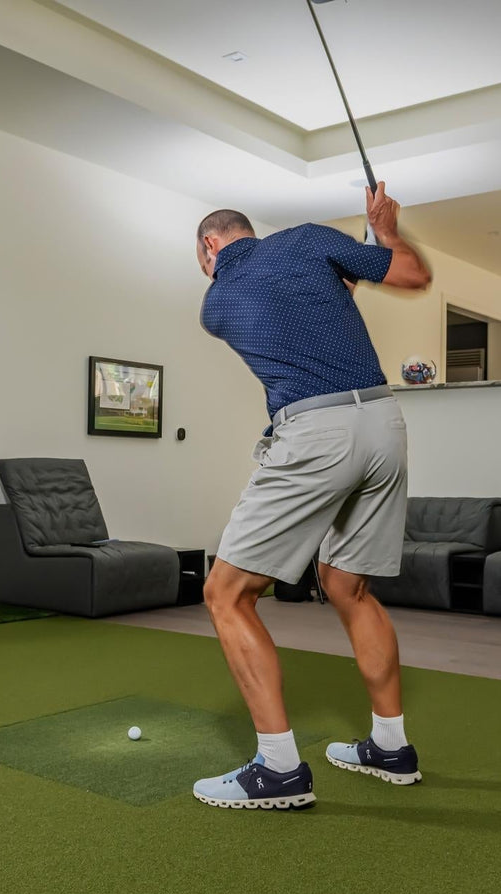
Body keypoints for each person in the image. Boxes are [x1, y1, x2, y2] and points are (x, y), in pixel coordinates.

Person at [192, 182, 432, 809]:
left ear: (211, 246)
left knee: (225, 594)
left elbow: (294, 309)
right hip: (384, 421)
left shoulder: (216, 304)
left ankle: (278, 771)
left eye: (202, 257)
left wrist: (344, 267)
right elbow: (409, 274)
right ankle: (390, 746)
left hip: (315, 430)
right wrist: (382, 231)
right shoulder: (309, 239)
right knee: (348, 584)